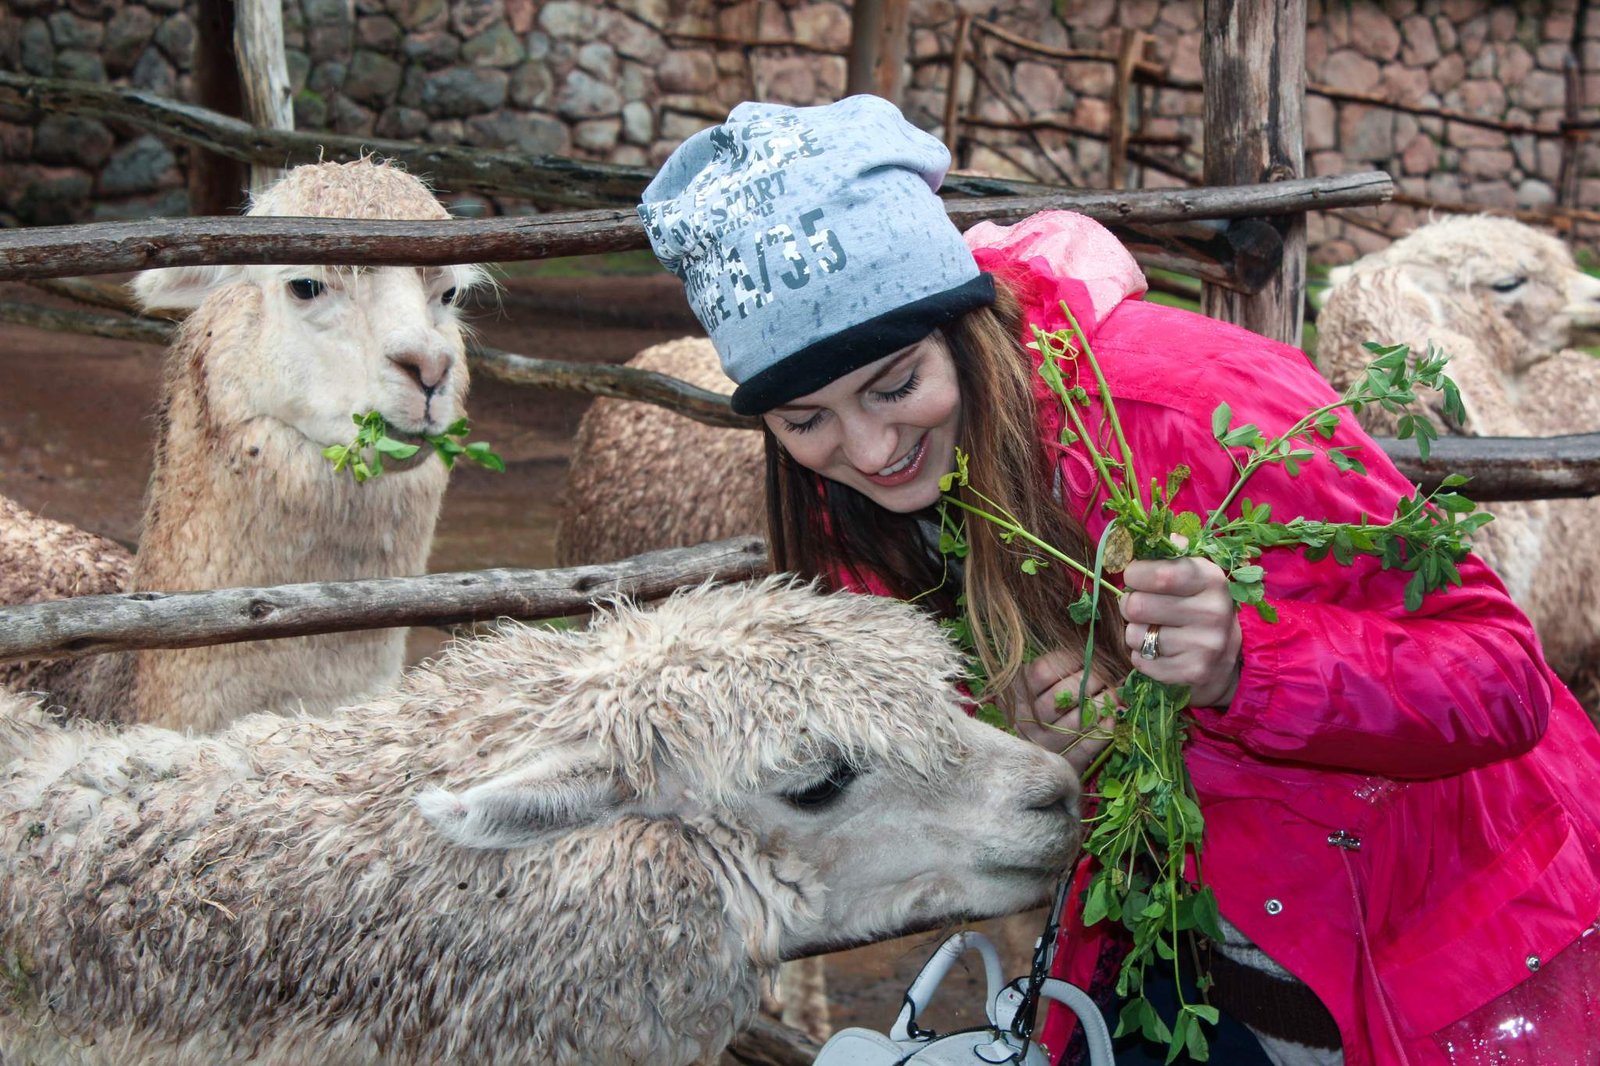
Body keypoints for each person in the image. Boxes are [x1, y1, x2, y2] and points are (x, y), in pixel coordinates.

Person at [638, 94, 1600, 1065]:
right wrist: (1019, 731)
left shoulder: (1191, 409)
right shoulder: (840, 502)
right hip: (1152, 917)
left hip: (1416, 921)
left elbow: (1498, 678)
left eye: (894, 385)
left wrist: (1241, 667)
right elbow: (950, 704)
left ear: (962, 326)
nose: (870, 447)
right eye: (805, 419)